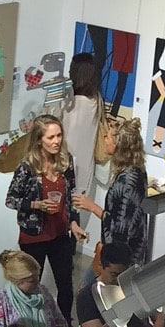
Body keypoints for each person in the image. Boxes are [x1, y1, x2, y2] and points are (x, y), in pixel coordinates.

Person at [5, 114, 101, 323]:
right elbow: (10, 200)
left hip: (60, 235)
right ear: (39, 140)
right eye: (51, 137)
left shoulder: (66, 162)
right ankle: (30, 325)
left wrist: (74, 223)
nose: (57, 141)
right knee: (31, 283)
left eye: (59, 135)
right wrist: (36, 205)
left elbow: (71, 196)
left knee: (65, 284)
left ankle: (65, 325)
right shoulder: (27, 167)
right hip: (34, 236)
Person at [100, 118, 150, 265]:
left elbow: (121, 229)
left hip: (121, 260)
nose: (105, 140)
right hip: (125, 254)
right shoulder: (134, 171)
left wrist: (92, 207)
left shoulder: (128, 181)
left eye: (108, 137)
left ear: (118, 145)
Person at [61, 52, 106, 210]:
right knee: (75, 212)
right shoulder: (96, 100)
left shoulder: (69, 102)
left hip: (63, 164)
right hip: (85, 167)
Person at [76, 238, 133, 327]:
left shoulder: (129, 286)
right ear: (101, 265)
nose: (119, 280)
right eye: (114, 275)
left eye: (124, 274)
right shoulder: (86, 297)